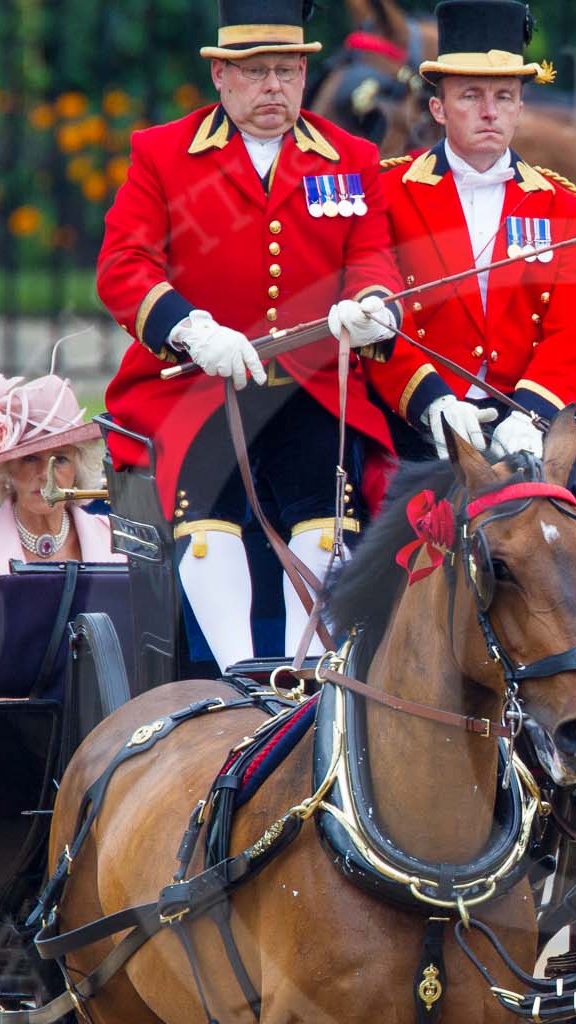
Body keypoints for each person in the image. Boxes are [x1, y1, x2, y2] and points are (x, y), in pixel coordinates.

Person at [97, 0, 403, 668]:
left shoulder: (352, 157)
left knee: (328, 508)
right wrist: (191, 329)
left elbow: (374, 257)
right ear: (221, 78)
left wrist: (372, 306)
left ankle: (307, 673)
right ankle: (241, 677)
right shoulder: (162, 154)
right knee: (206, 508)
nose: (274, 88)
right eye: (257, 72)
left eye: (287, 71)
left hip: (310, 386)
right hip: (195, 385)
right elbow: (124, 265)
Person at [366, 0, 576, 466]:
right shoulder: (387, 194)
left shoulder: (563, 207)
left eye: (504, 97)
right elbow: (383, 326)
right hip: (416, 422)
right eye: (471, 95)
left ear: (519, 109)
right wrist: (433, 403)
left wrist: (530, 416)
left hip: (525, 422)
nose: (489, 112)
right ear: (438, 107)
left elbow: (572, 330)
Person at [0, 367, 125, 707]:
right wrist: (15, 712)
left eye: (59, 459)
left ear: (78, 468)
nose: (44, 475)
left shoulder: (114, 540)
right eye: (29, 458)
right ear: (7, 470)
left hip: (100, 729)